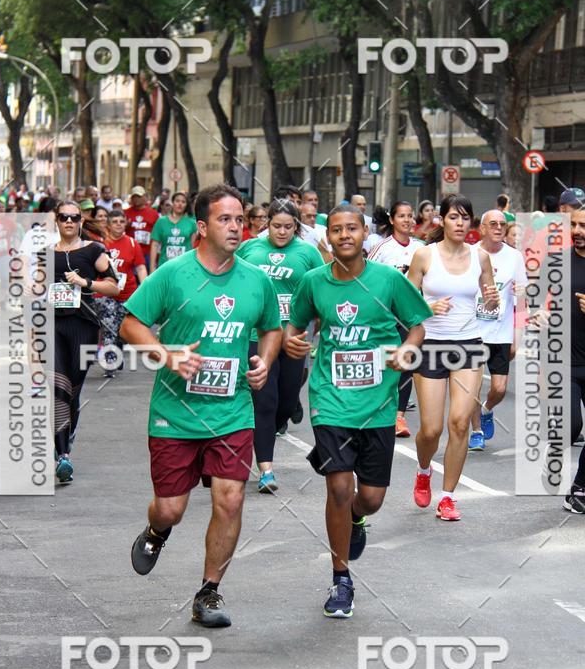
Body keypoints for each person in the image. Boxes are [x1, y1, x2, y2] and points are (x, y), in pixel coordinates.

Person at [120, 184, 282, 628]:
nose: (235, 227)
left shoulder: (256, 279)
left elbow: (272, 328)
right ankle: (157, 531)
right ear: (203, 226)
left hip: (231, 412)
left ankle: (209, 592)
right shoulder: (174, 275)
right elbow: (131, 324)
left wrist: (264, 362)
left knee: (229, 500)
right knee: (171, 508)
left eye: (240, 219)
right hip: (174, 413)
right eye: (225, 219)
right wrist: (167, 354)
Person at [285, 203, 431, 618]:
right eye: (336, 229)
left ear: (364, 234)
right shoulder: (313, 282)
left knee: (370, 498)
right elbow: (295, 326)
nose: (344, 235)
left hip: (379, 405)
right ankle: (341, 580)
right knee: (337, 487)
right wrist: (294, 342)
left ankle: (357, 519)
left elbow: (417, 322)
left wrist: (407, 349)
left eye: (352, 228)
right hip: (330, 399)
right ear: (327, 237)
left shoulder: (388, 280)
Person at [407, 194, 499, 521]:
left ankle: (447, 497)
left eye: (465, 218)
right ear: (441, 221)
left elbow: (491, 307)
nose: (460, 224)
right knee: (430, 430)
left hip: (468, 345)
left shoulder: (481, 258)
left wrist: (491, 301)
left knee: (459, 422)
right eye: (453, 217)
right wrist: (427, 308)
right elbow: (403, 304)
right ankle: (422, 469)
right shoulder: (423, 256)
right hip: (430, 345)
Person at [238, 199, 323, 491]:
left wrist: (317, 327)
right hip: (256, 336)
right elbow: (230, 277)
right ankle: (266, 471)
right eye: (276, 226)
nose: (282, 232)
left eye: (288, 226)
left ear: (296, 227)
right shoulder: (250, 249)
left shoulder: (308, 253)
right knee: (265, 400)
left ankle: (260, 434)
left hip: (293, 337)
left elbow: (319, 292)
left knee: (286, 403)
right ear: (267, 224)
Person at [51, 201, 118, 483]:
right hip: (52, 326)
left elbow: (114, 286)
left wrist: (85, 283)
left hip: (83, 325)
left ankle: (68, 436)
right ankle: (63, 456)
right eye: (64, 217)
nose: (69, 221)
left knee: (73, 389)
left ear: (80, 220)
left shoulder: (94, 250)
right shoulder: (45, 254)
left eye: (74, 217)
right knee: (57, 389)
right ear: (56, 220)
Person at [467, 211, 527, 451]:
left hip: (501, 332)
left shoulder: (514, 257)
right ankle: (476, 432)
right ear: (482, 228)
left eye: (503, 224)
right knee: (472, 386)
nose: (499, 228)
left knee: (499, 388)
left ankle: (486, 410)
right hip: (472, 332)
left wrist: (517, 336)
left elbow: (522, 299)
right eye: (493, 224)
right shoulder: (469, 254)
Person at [367, 201, 424, 438]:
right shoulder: (382, 248)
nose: (407, 220)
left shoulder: (421, 248)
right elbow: (367, 275)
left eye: (410, 216)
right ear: (392, 220)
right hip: (385, 315)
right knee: (387, 363)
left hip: (410, 315)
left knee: (407, 364)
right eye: (402, 216)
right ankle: (379, 409)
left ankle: (399, 417)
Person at [99, 210, 148, 378]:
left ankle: (117, 350)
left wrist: (145, 287)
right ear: (108, 225)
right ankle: (110, 363)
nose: (119, 224)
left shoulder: (133, 244)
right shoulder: (101, 244)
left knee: (122, 330)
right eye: (115, 221)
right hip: (106, 294)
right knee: (109, 328)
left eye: (121, 221)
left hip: (128, 294)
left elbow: (140, 268)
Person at [565, 208, 585, 513]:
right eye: (574, 225)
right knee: (572, 425)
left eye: (583, 225)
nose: (578, 230)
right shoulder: (558, 262)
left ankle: (578, 486)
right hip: (565, 361)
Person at [149, 191, 197, 271]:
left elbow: (192, 247)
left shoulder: (191, 223)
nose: (180, 204)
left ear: (186, 205)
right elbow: (154, 245)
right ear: (172, 203)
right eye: (177, 201)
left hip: (184, 266)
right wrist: (152, 268)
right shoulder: (161, 221)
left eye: (183, 202)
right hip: (165, 265)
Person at [125, 185, 159, 271]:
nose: (136, 199)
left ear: (145, 197)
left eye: (139, 196)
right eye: (134, 197)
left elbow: (158, 234)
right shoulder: (125, 213)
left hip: (147, 253)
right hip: (130, 252)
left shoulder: (153, 214)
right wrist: (125, 226)